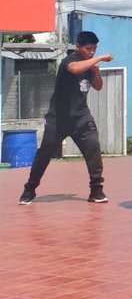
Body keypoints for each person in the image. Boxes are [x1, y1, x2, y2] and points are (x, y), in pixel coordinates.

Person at [18, 31, 112, 205]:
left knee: (93, 149)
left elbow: (98, 86)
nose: (92, 52)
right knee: (45, 153)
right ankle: (29, 189)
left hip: (81, 117)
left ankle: (96, 190)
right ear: (78, 47)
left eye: (95, 49)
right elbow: (75, 69)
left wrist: (96, 70)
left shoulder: (90, 66)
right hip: (58, 118)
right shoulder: (69, 61)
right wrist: (98, 58)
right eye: (89, 49)